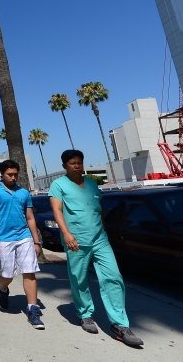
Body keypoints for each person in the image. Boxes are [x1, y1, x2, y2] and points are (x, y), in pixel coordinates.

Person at [49, 149, 143, 347]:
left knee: (113, 277)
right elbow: (57, 210)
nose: (77, 166)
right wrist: (66, 234)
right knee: (79, 278)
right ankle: (85, 314)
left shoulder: (92, 184)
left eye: (79, 162)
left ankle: (120, 325)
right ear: (65, 165)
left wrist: (105, 233)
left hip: (100, 239)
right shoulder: (58, 185)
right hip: (76, 240)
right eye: (72, 163)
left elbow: (98, 210)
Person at [0, 159, 44, 329]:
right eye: (9, 175)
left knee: (29, 272)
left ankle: (33, 308)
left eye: (15, 175)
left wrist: (36, 241)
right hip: (3, 238)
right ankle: (3, 289)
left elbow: (30, 218)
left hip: (24, 236)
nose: (13, 178)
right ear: (2, 174)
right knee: (7, 274)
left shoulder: (24, 193)